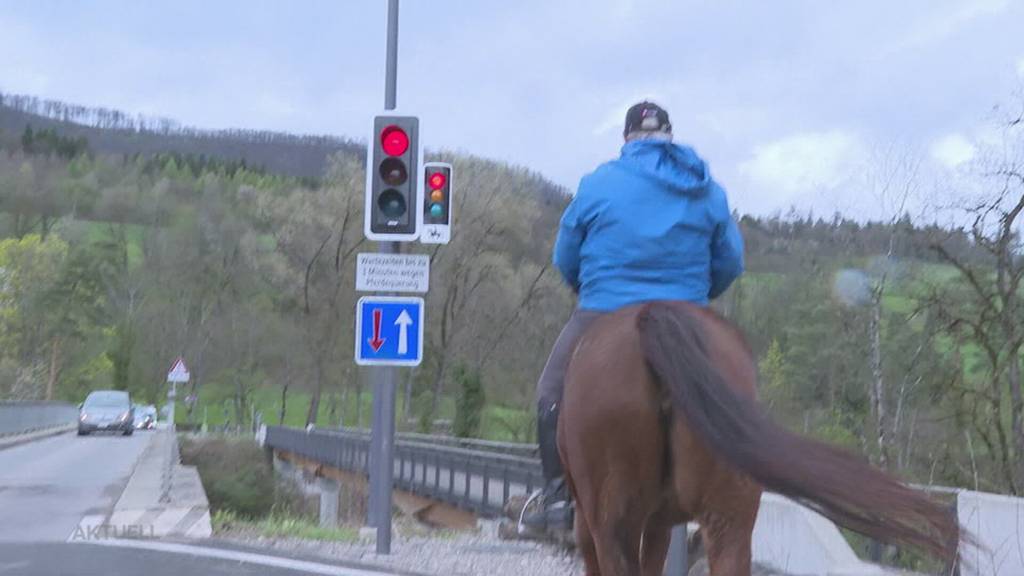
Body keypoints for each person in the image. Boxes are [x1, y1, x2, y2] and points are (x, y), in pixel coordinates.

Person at [522, 101, 745, 531]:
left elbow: (564, 254)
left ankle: (557, 499)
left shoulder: (598, 184)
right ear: (670, 135)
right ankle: (726, 487)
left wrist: (587, 288)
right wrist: (697, 296)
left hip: (605, 306)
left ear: (627, 139)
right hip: (688, 313)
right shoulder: (707, 188)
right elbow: (731, 261)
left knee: (550, 391)